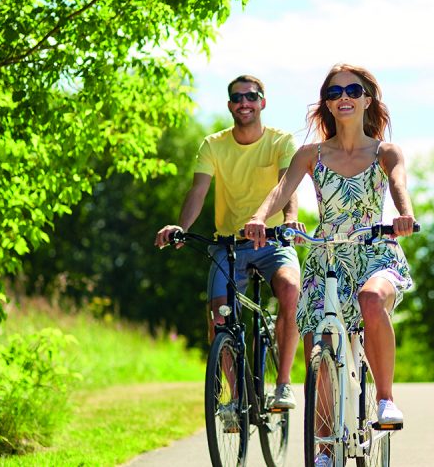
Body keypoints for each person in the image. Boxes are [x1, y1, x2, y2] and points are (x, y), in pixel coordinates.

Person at [243, 64, 415, 436]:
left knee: (372, 300)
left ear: (367, 99)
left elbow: (398, 184)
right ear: (328, 104)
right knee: (318, 349)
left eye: (353, 91)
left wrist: (405, 214)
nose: (344, 98)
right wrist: (258, 216)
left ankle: (385, 399)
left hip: (374, 248)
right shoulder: (311, 154)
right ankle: (322, 447)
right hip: (327, 255)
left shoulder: (385, 151)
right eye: (334, 93)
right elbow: (281, 191)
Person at [154, 75, 302, 410]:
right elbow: (198, 191)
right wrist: (182, 225)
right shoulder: (214, 145)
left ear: (262, 101)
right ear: (230, 105)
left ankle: (283, 385)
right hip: (229, 245)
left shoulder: (281, 141)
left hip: (273, 241)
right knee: (220, 317)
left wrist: (289, 220)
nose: (244, 103)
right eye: (237, 98)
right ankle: (235, 400)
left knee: (291, 291)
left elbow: (286, 188)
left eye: (251, 96)